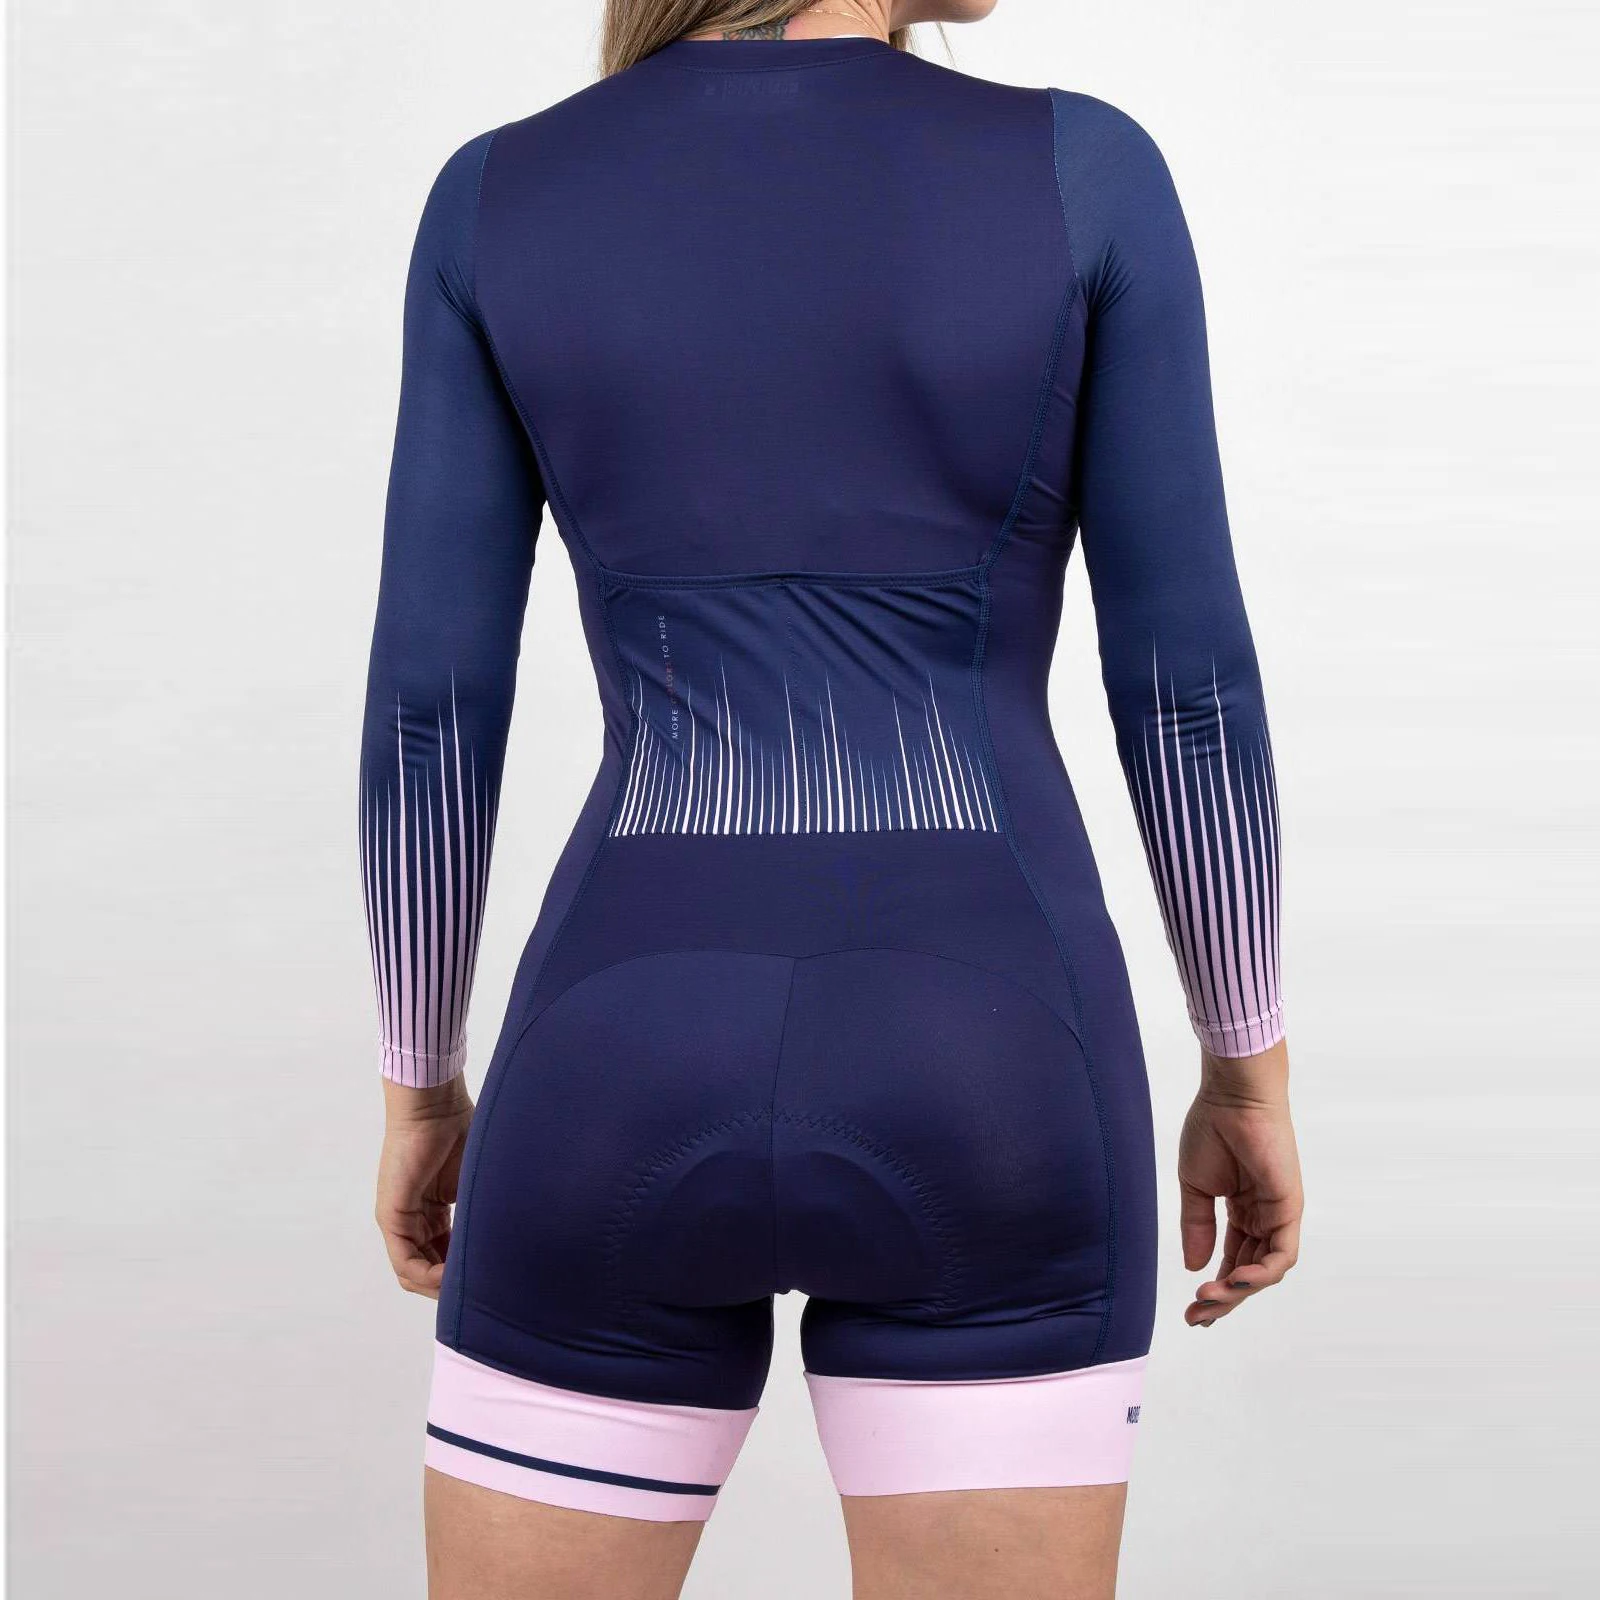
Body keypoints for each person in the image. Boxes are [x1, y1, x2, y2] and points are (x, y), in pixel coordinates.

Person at [359, 2, 1304, 1594]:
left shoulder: (498, 194)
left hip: (609, 1055)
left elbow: (431, 709)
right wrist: (1245, 1070)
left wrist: (422, 1087)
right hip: (998, 1054)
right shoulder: (1083, 173)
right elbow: (1189, 690)